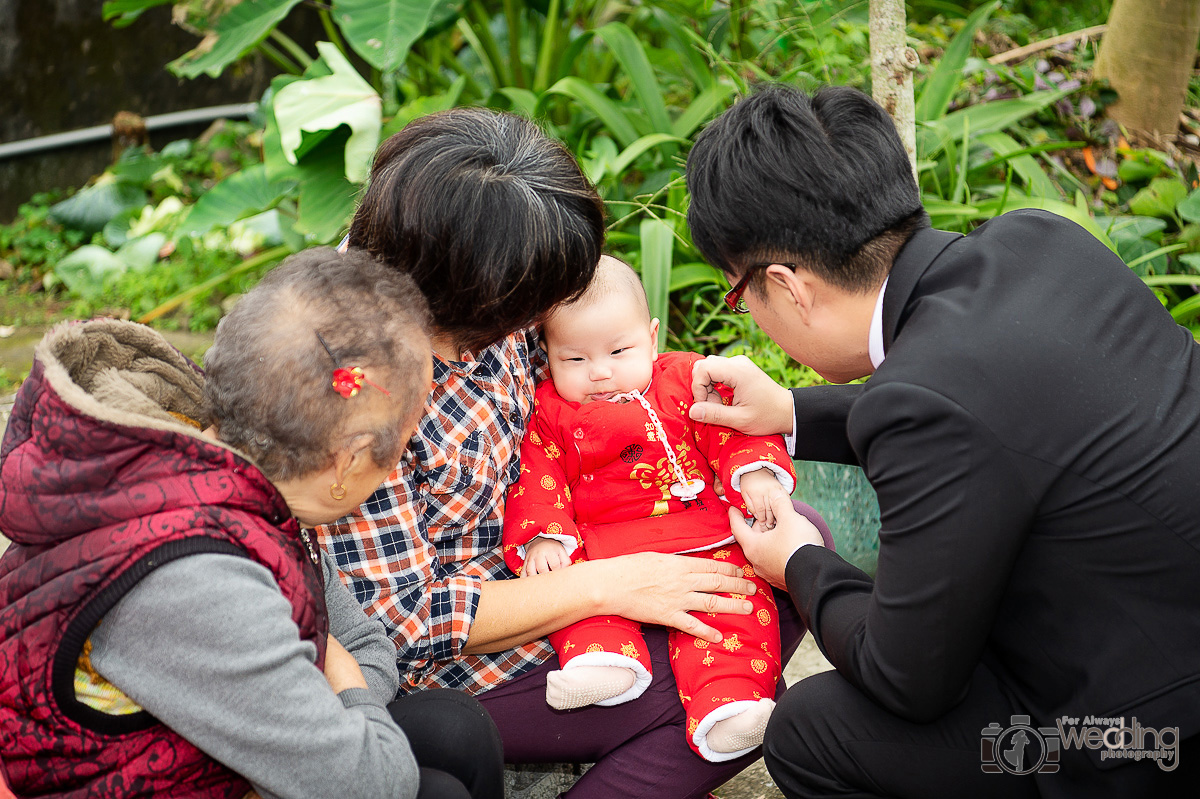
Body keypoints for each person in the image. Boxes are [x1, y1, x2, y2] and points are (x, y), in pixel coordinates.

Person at [682, 83, 1200, 798]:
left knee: (813, 728)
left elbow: (907, 680)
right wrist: (790, 411)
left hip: (1137, 741)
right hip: (1159, 633)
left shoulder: (924, 405)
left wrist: (797, 560)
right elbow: (987, 409)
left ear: (788, 286)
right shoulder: (1041, 241)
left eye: (740, 294)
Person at [317, 107, 833, 799]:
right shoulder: (350, 389)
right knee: (716, 683)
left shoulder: (471, 270)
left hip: (570, 542)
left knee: (789, 548)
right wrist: (613, 583)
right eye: (528, 311)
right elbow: (403, 621)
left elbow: (595, 377)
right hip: (466, 655)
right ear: (473, 298)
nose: (535, 325)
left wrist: (689, 401)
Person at [0, 248, 503, 799]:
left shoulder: (236, 467)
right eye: (404, 443)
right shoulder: (198, 580)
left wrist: (331, 688)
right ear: (348, 460)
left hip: (191, 760)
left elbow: (363, 641)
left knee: (456, 728)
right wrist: (335, 679)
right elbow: (371, 786)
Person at [502, 256, 796, 762]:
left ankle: (733, 706)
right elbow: (537, 477)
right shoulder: (551, 412)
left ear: (652, 337)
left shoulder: (685, 380)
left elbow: (728, 431)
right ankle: (603, 664)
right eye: (574, 359)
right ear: (546, 355)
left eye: (619, 351)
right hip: (605, 551)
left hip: (705, 540)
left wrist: (758, 474)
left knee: (735, 609)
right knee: (574, 597)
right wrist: (545, 536)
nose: (600, 372)